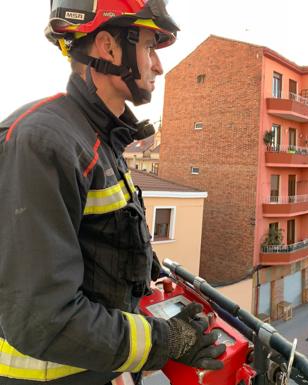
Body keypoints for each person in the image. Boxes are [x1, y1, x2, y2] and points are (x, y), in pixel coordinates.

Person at [0, 2, 225, 384]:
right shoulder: (44, 141)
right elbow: (43, 319)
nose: (158, 66)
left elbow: (97, 241)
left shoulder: (98, 140)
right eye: (151, 47)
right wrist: (166, 341)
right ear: (108, 47)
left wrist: (147, 271)